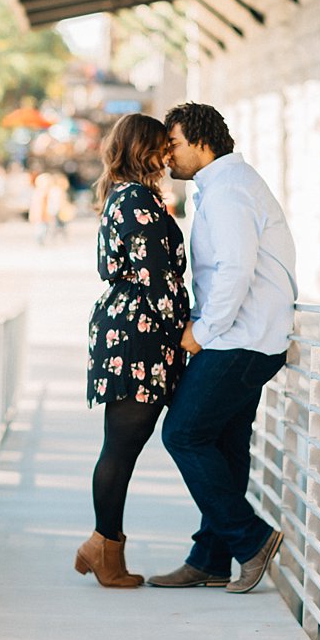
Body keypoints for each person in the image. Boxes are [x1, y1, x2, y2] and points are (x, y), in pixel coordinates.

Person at [149, 102, 298, 594]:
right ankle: (210, 558)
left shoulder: (230, 191)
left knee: (184, 434)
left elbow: (235, 270)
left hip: (240, 339)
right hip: (247, 336)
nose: (166, 156)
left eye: (172, 145)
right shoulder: (224, 186)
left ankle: (250, 540)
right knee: (225, 444)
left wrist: (202, 331)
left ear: (200, 142)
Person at [76, 114, 190, 588]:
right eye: (163, 146)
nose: (169, 155)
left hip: (129, 329)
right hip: (139, 334)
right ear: (145, 149)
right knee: (121, 448)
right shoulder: (138, 200)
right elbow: (156, 277)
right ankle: (105, 549)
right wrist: (185, 330)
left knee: (121, 448)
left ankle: (102, 546)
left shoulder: (121, 194)